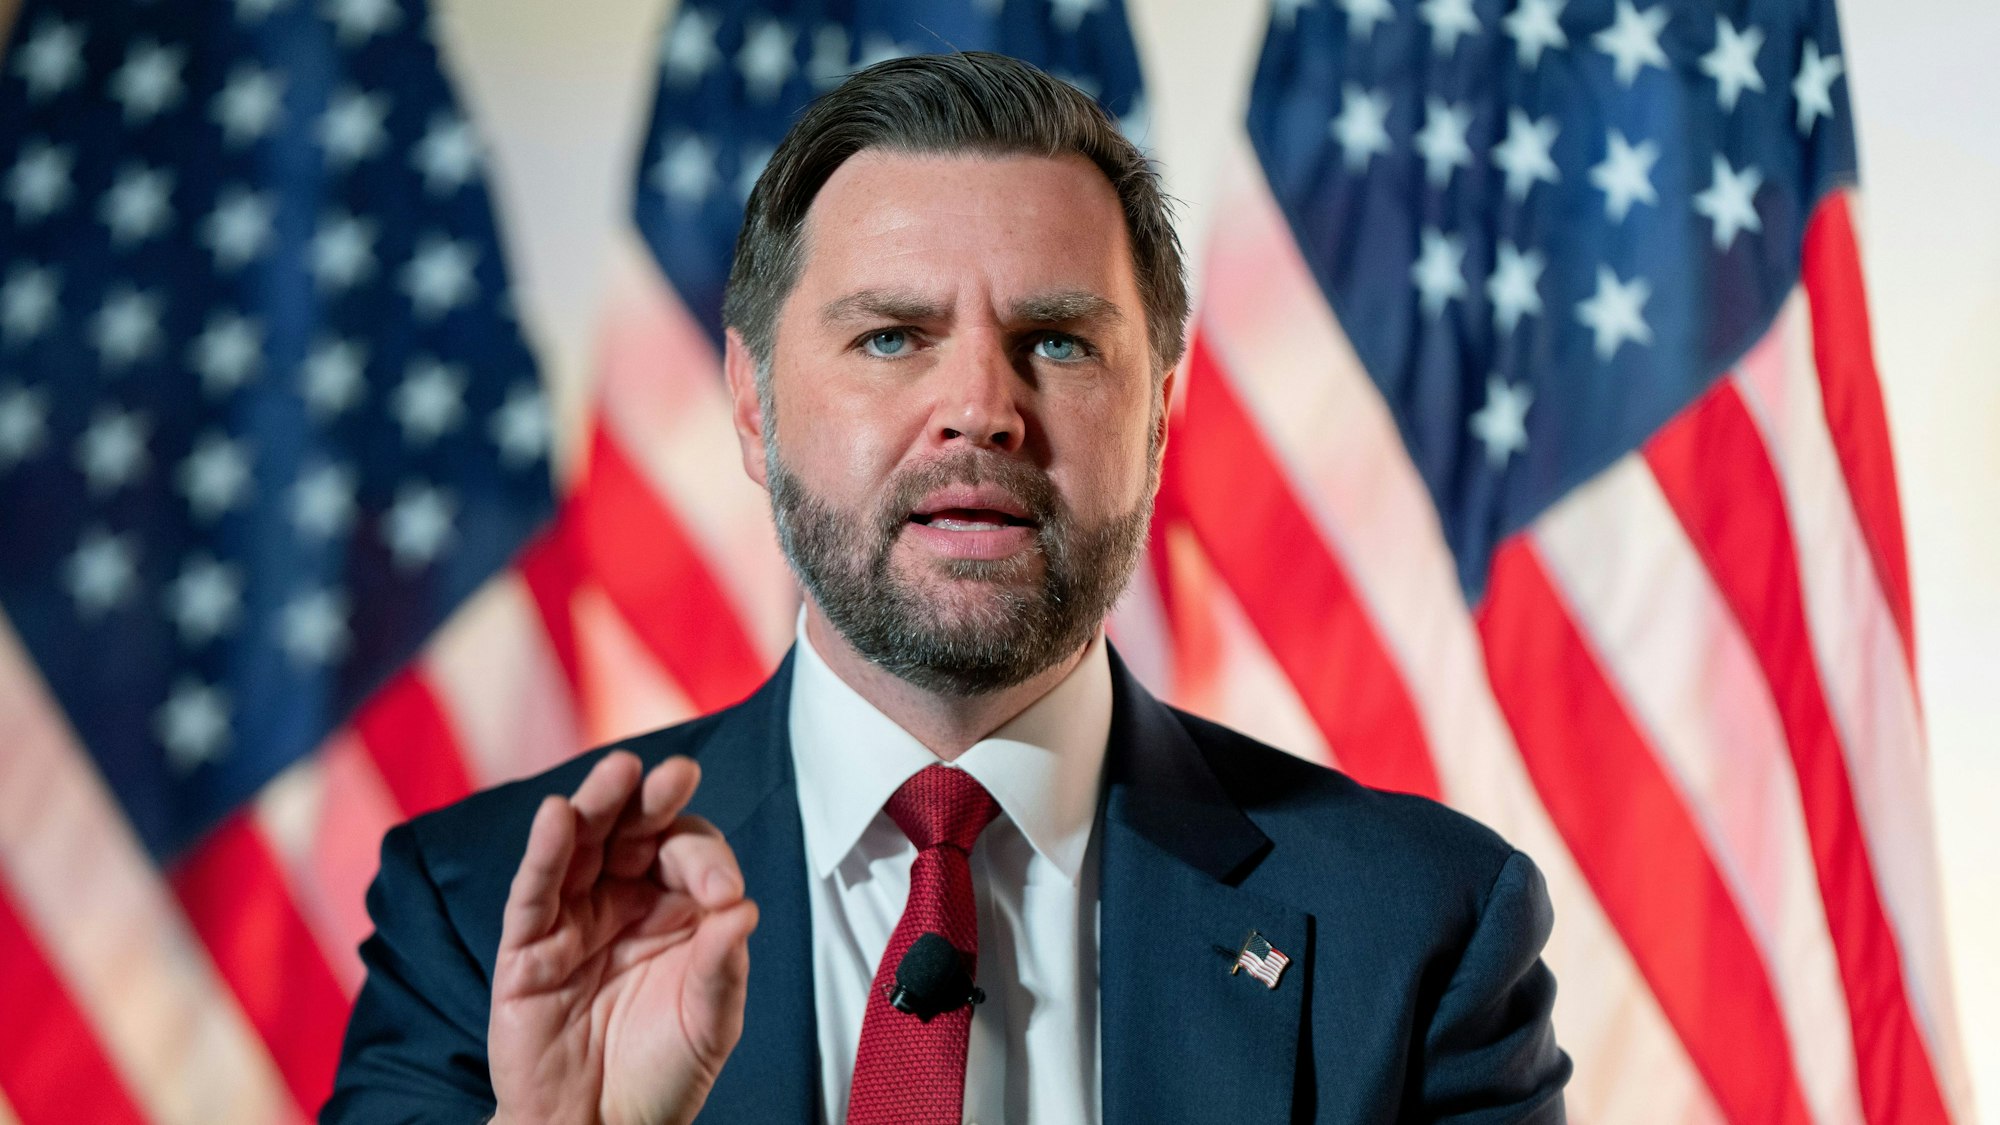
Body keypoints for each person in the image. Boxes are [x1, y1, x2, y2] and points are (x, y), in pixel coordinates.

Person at [324, 51, 1570, 1125]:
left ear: (1157, 418)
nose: (980, 409)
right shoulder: (480, 919)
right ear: (753, 407)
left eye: (1059, 342)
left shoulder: (1421, 930)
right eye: (890, 337)